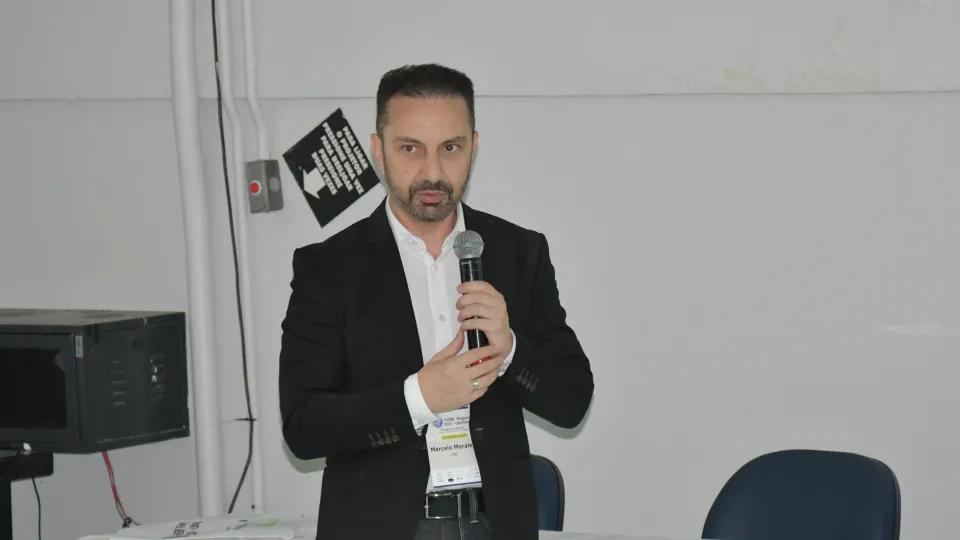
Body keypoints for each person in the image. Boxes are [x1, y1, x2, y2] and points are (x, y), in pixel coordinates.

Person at [278, 63, 594, 540]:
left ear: (473, 146)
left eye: (451, 148)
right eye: (411, 148)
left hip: (496, 524)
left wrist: (510, 349)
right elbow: (303, 427)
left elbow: (572, 402)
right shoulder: (328, 268)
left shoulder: (518, 252)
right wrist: (419, 398)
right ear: (378, 149)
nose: (432, 172)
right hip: (381, 528)